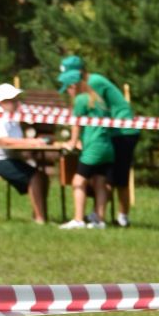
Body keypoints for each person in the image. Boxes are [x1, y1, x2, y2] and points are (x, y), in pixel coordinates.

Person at [57, 57, 139, 226]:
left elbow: (83, 116)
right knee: (103, 178)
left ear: (79, 73)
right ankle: (98, 216)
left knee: (119, 178)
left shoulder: (94, 83)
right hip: (108, 134)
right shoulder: (89, 87)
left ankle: (122, 217)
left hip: (123, 131)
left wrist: (75, 140)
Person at [0, 83, 52, 224]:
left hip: (9, 158)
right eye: (13, 100)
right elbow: (4, 142)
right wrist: (32, 142)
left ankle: (37, 214)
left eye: (17, 99)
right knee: (35, 177)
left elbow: (15, 143)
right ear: (2, 102)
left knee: (43, 177)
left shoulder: (12, 118)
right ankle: (40, 219)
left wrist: (29, 148)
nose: (17, 103)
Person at [57, 63, 115, 229]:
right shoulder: (99, 99)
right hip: (107, 147)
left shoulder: (81, 100)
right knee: (100, 182)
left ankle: (78, 220)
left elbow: (76, 124)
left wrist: (72, 143)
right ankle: (100, 220)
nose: (68, 92)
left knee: (78, 182)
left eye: (68, 88)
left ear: (74, 86)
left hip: (93, 149)